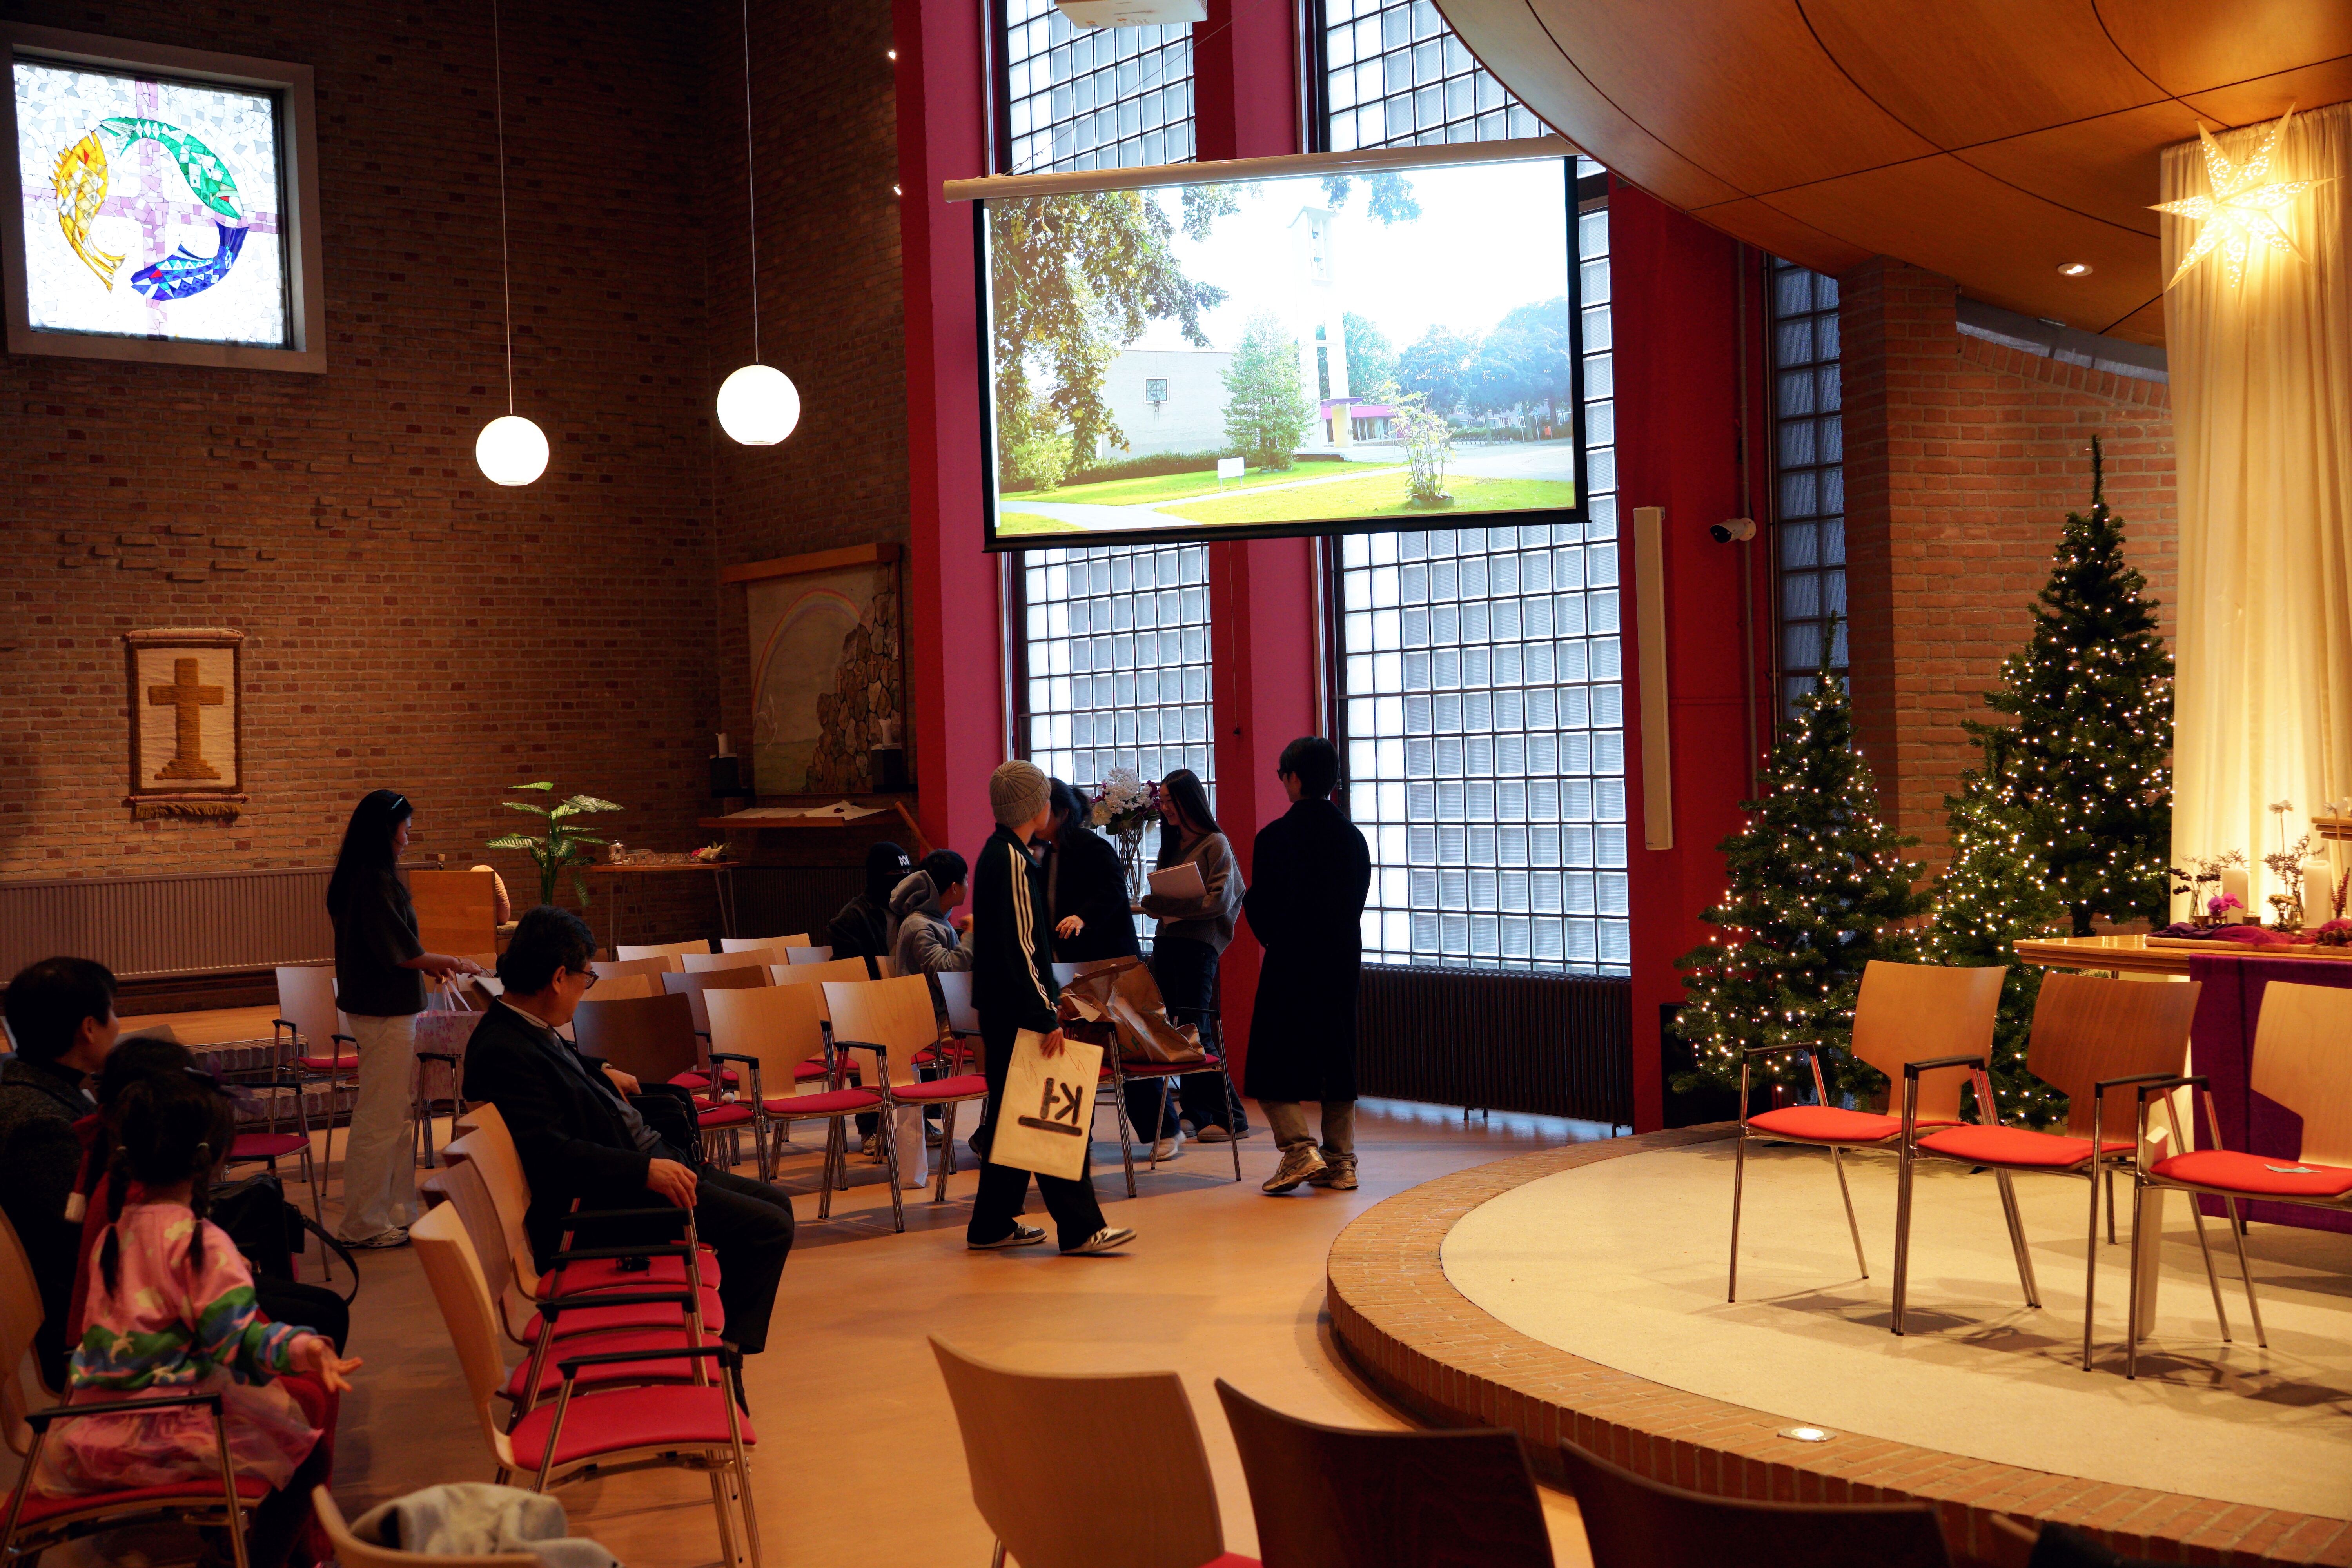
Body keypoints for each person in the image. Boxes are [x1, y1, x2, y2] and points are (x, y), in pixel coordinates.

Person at [32, 1066, 360, 1568]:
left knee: (278, 1433)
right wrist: (306, 1347)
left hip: (91, 1432)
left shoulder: (115, 1234)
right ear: (213, 1158)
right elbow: (238, 1341)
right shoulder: (200, 1241)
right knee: (306, 1455)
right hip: (161, 1434)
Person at [461, 905, 795, 1364]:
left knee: (777, 1205)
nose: (584, 990)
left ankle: (720, 1344)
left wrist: (600, 1070)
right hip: (611, 1202)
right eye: (586, 978)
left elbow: (558, 1070)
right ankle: (723, 1356)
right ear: (558, 978)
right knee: (768, 1228)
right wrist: (645, 1170)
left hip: (640, 1169)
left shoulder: (521, 1025)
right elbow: (551, 1154)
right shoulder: (503, 1049)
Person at [965, 759, 1132, 1256]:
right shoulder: (1014, 861)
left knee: (1012, 1116)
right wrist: (1045, 1013)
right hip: (1020, 1011)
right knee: (1051, 1117)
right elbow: (1022, 948)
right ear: (1035, 806)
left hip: (1002, 1008)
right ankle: (1081, 1228)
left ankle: (990, 1223)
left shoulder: (997, 853)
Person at [326, 790, 482, 1249]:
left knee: (392, 1116)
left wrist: (431, 964)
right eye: (405, 829)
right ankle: (363, 1222)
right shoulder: (371, 881)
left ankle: (392, 1213)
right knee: (380, 1119)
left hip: (384, 1008)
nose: (408, 839)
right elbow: (400, 952)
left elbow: (392, 950)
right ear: (385, 830)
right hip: (384, 1012)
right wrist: (453, 961)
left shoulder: (361, 876)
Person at [1242, 736, 1373, 1194]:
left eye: (1283, 775)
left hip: (1291, 960)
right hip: (1339, 960)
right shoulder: (1353, 838)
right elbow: (1357, 900)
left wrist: (1273, 932)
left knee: (1269, 1059)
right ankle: (1341, 1162)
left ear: (1295, 778)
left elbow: (1263, 906)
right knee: (1338, 1057)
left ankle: (1299, 1150)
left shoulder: (1274, 838)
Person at [0, 957, 120, 1390]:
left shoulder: (41, 1087)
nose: (118, 1024)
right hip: (97, 1327)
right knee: (305, 1317)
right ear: (89, 1028)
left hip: (107, 1290)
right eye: (113, 1012)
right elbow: (87, 1236)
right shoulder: (39, 1121)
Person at [1132, 768, 1247, 1156]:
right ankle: (1196, 1112)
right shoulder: (1171, 844)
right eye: (1162, 801)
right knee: (1172, 1030)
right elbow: (1159, 898)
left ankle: (1230, 1116)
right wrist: (1158, 904)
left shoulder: (1215, 843)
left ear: (1189, 801)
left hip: (1199, 945)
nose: (1164, 808)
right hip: (1168, 942)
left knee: (1196, 1030)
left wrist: (1165, 904)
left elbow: (1219, 901)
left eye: (1170, 801)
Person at [1043, 779, 1140, 964]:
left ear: (1064, 814)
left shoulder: (1090, 845)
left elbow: (1115, 889)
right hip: (1073, 957)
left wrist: (1083, 917)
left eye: (1043, 811)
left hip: (1105, 956)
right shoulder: (1050, 852)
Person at [889, 849, 973, 1019]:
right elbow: (947, 975)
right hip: (932, 1022)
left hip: (950, 1014)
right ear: (954, 888)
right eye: (965, 879)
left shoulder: (936, 921)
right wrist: (971, 937)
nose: (968, 884)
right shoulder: (919, 927)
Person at [828, 840, 914, 976]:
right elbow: (850, 974)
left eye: (907, 871)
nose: (905, 879)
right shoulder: (851, 919)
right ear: (878, 876)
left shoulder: (912, 909)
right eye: (896, 872)